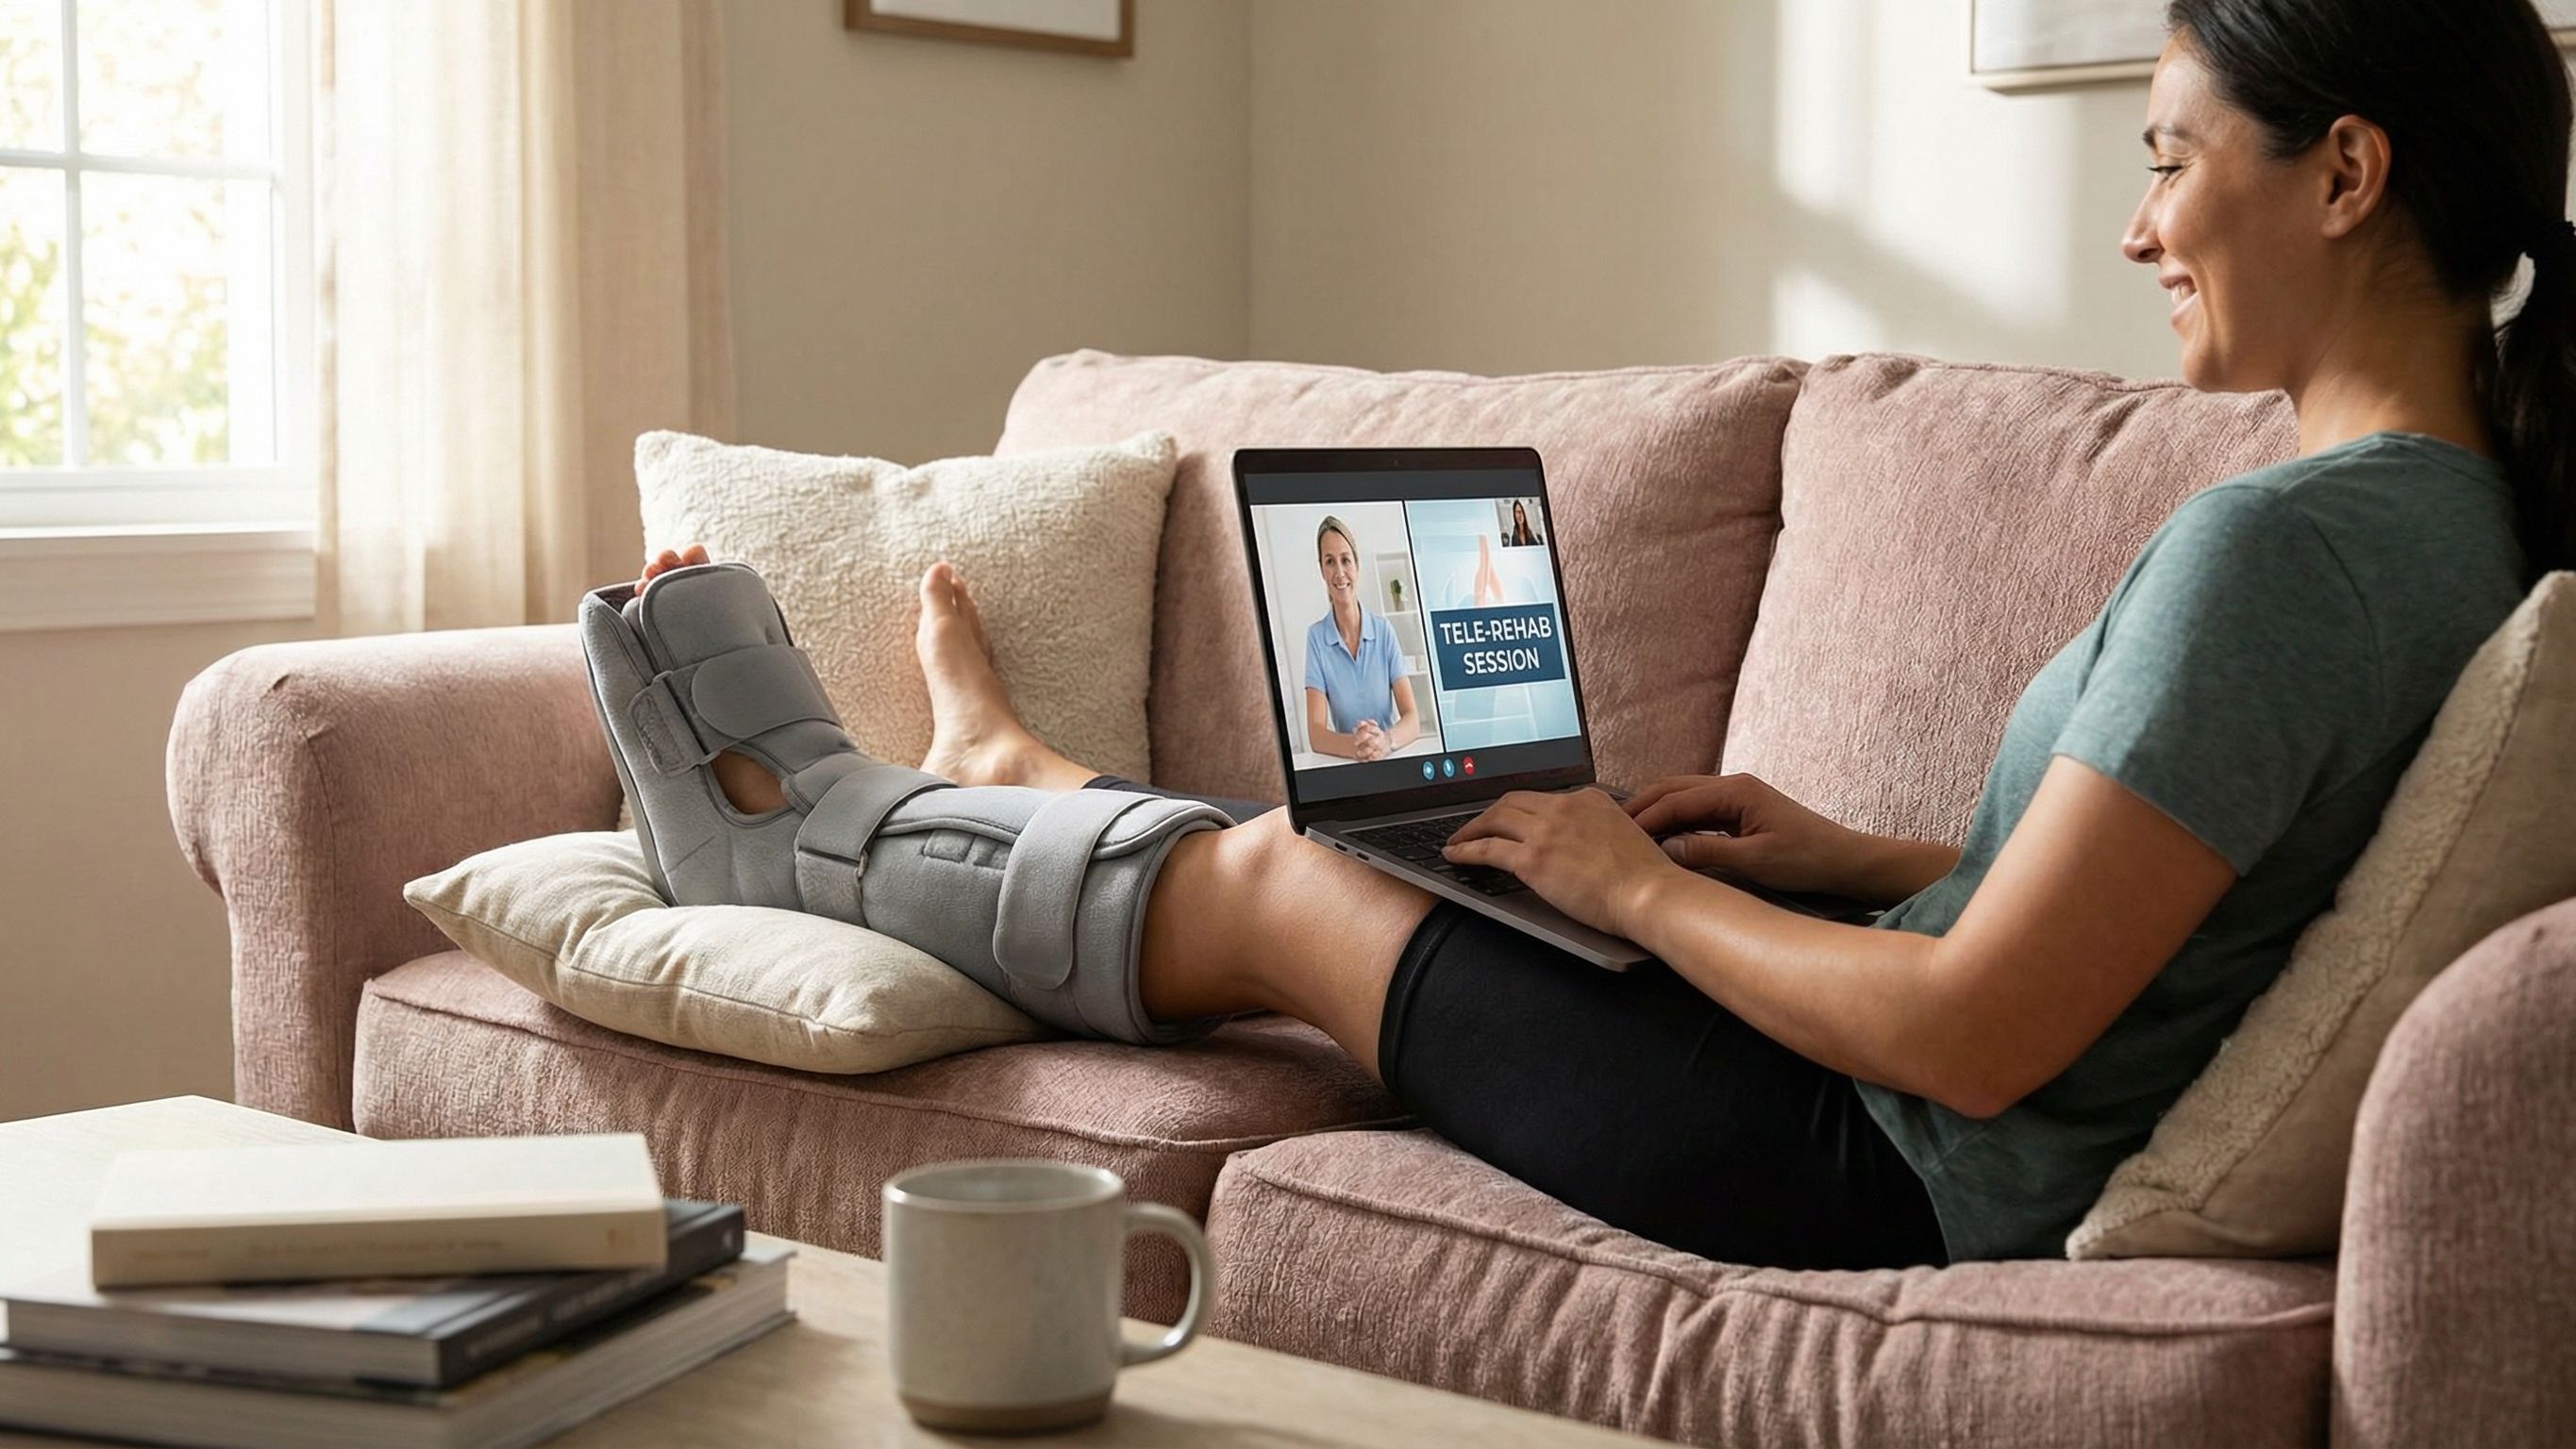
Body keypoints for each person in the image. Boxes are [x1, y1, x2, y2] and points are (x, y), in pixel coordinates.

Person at [623, 0, 2568, 1269]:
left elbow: (1980, 1039)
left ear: (2345, 172)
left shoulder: (2281, 555)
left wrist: (1639, 894)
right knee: (1411, 851)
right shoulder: (2468, 527)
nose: (2141, 228)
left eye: (2168, 154)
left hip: (1877, 1171)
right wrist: (1851, 858)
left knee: (1305, 881)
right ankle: (1028, 779)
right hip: (1895, 1100)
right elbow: (2215, 894)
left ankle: (825, 821)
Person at [1298, 515, 1424, 762]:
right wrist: (1358, 746)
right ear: (1322, 570)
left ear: (1357, 565)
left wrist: (1384, 742)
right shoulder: (1316, 638)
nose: (1340, 572)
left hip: (1388, 759)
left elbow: (1413, 719)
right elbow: (1316, 734)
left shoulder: (1383, 630)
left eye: (1346, 560)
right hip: (1347, 765)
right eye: (1330, 562)